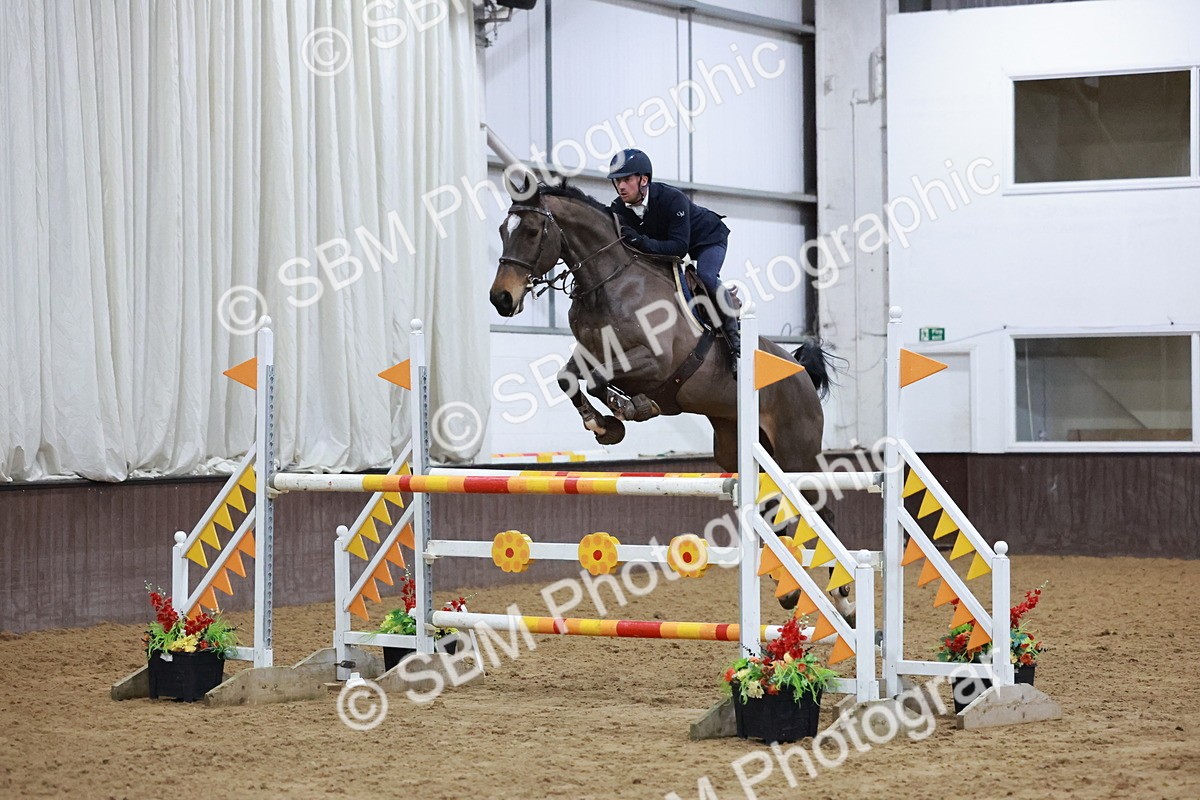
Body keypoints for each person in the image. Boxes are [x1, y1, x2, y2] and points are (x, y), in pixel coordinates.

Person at [607, 148, 740, 361]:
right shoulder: (618, 208)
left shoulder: (672, 198)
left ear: (643, 180)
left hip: (707, 238)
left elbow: (679, 248)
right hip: (671, 245)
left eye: (627, 179)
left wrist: (640, 241)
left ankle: (735, 342)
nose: (621, 186)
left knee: (706, 276)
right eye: (617, 181)